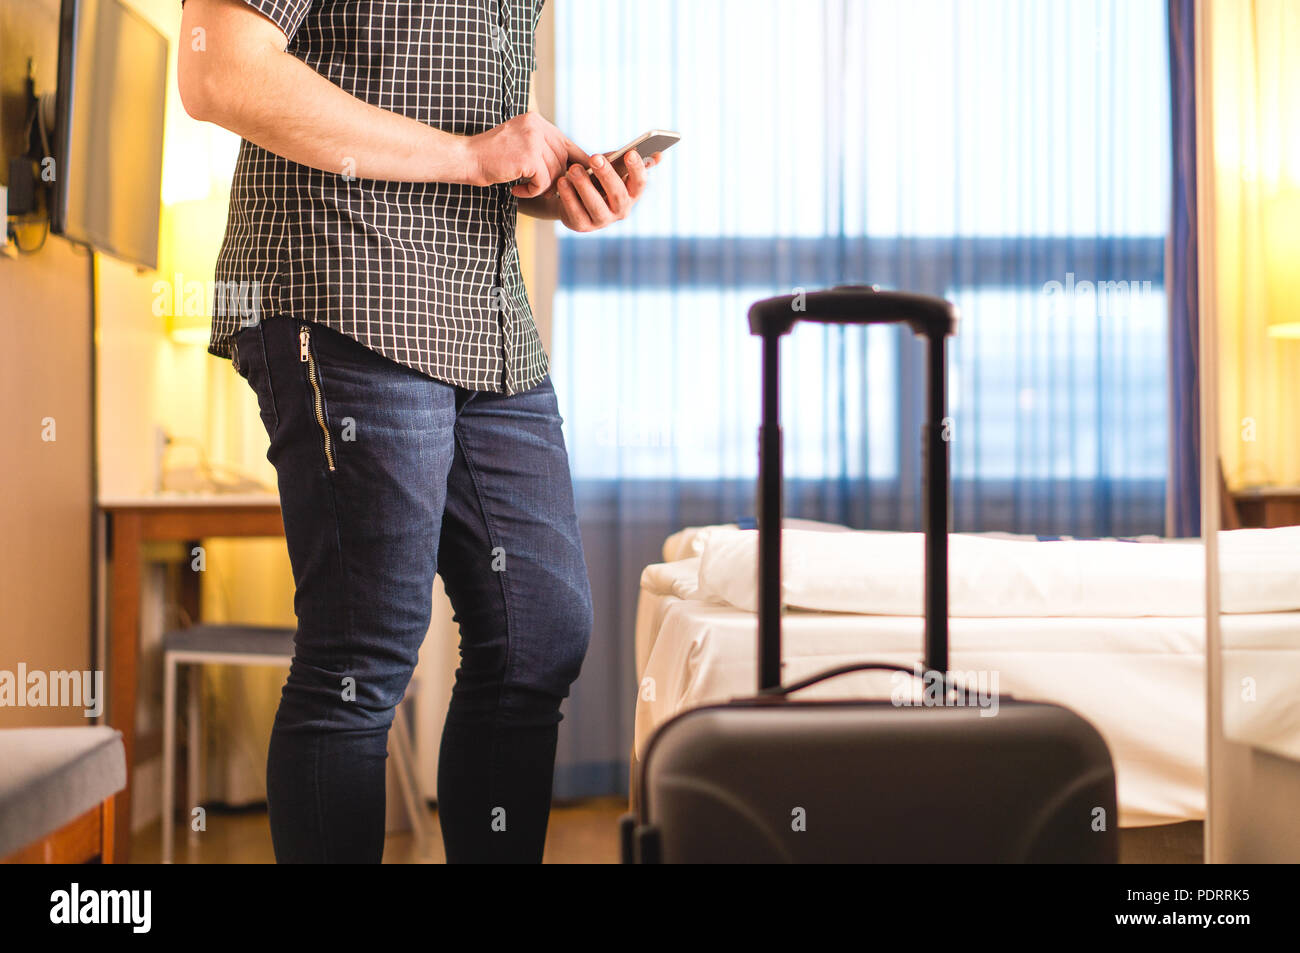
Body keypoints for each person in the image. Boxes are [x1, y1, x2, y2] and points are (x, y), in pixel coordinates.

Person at [177, 0, 660, 863]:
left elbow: (453, 109)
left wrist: (550, 180)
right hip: (347, 282)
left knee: (541, 629)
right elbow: (221, 72)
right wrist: (474, 155)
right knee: (364, 652)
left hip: (483, 315)